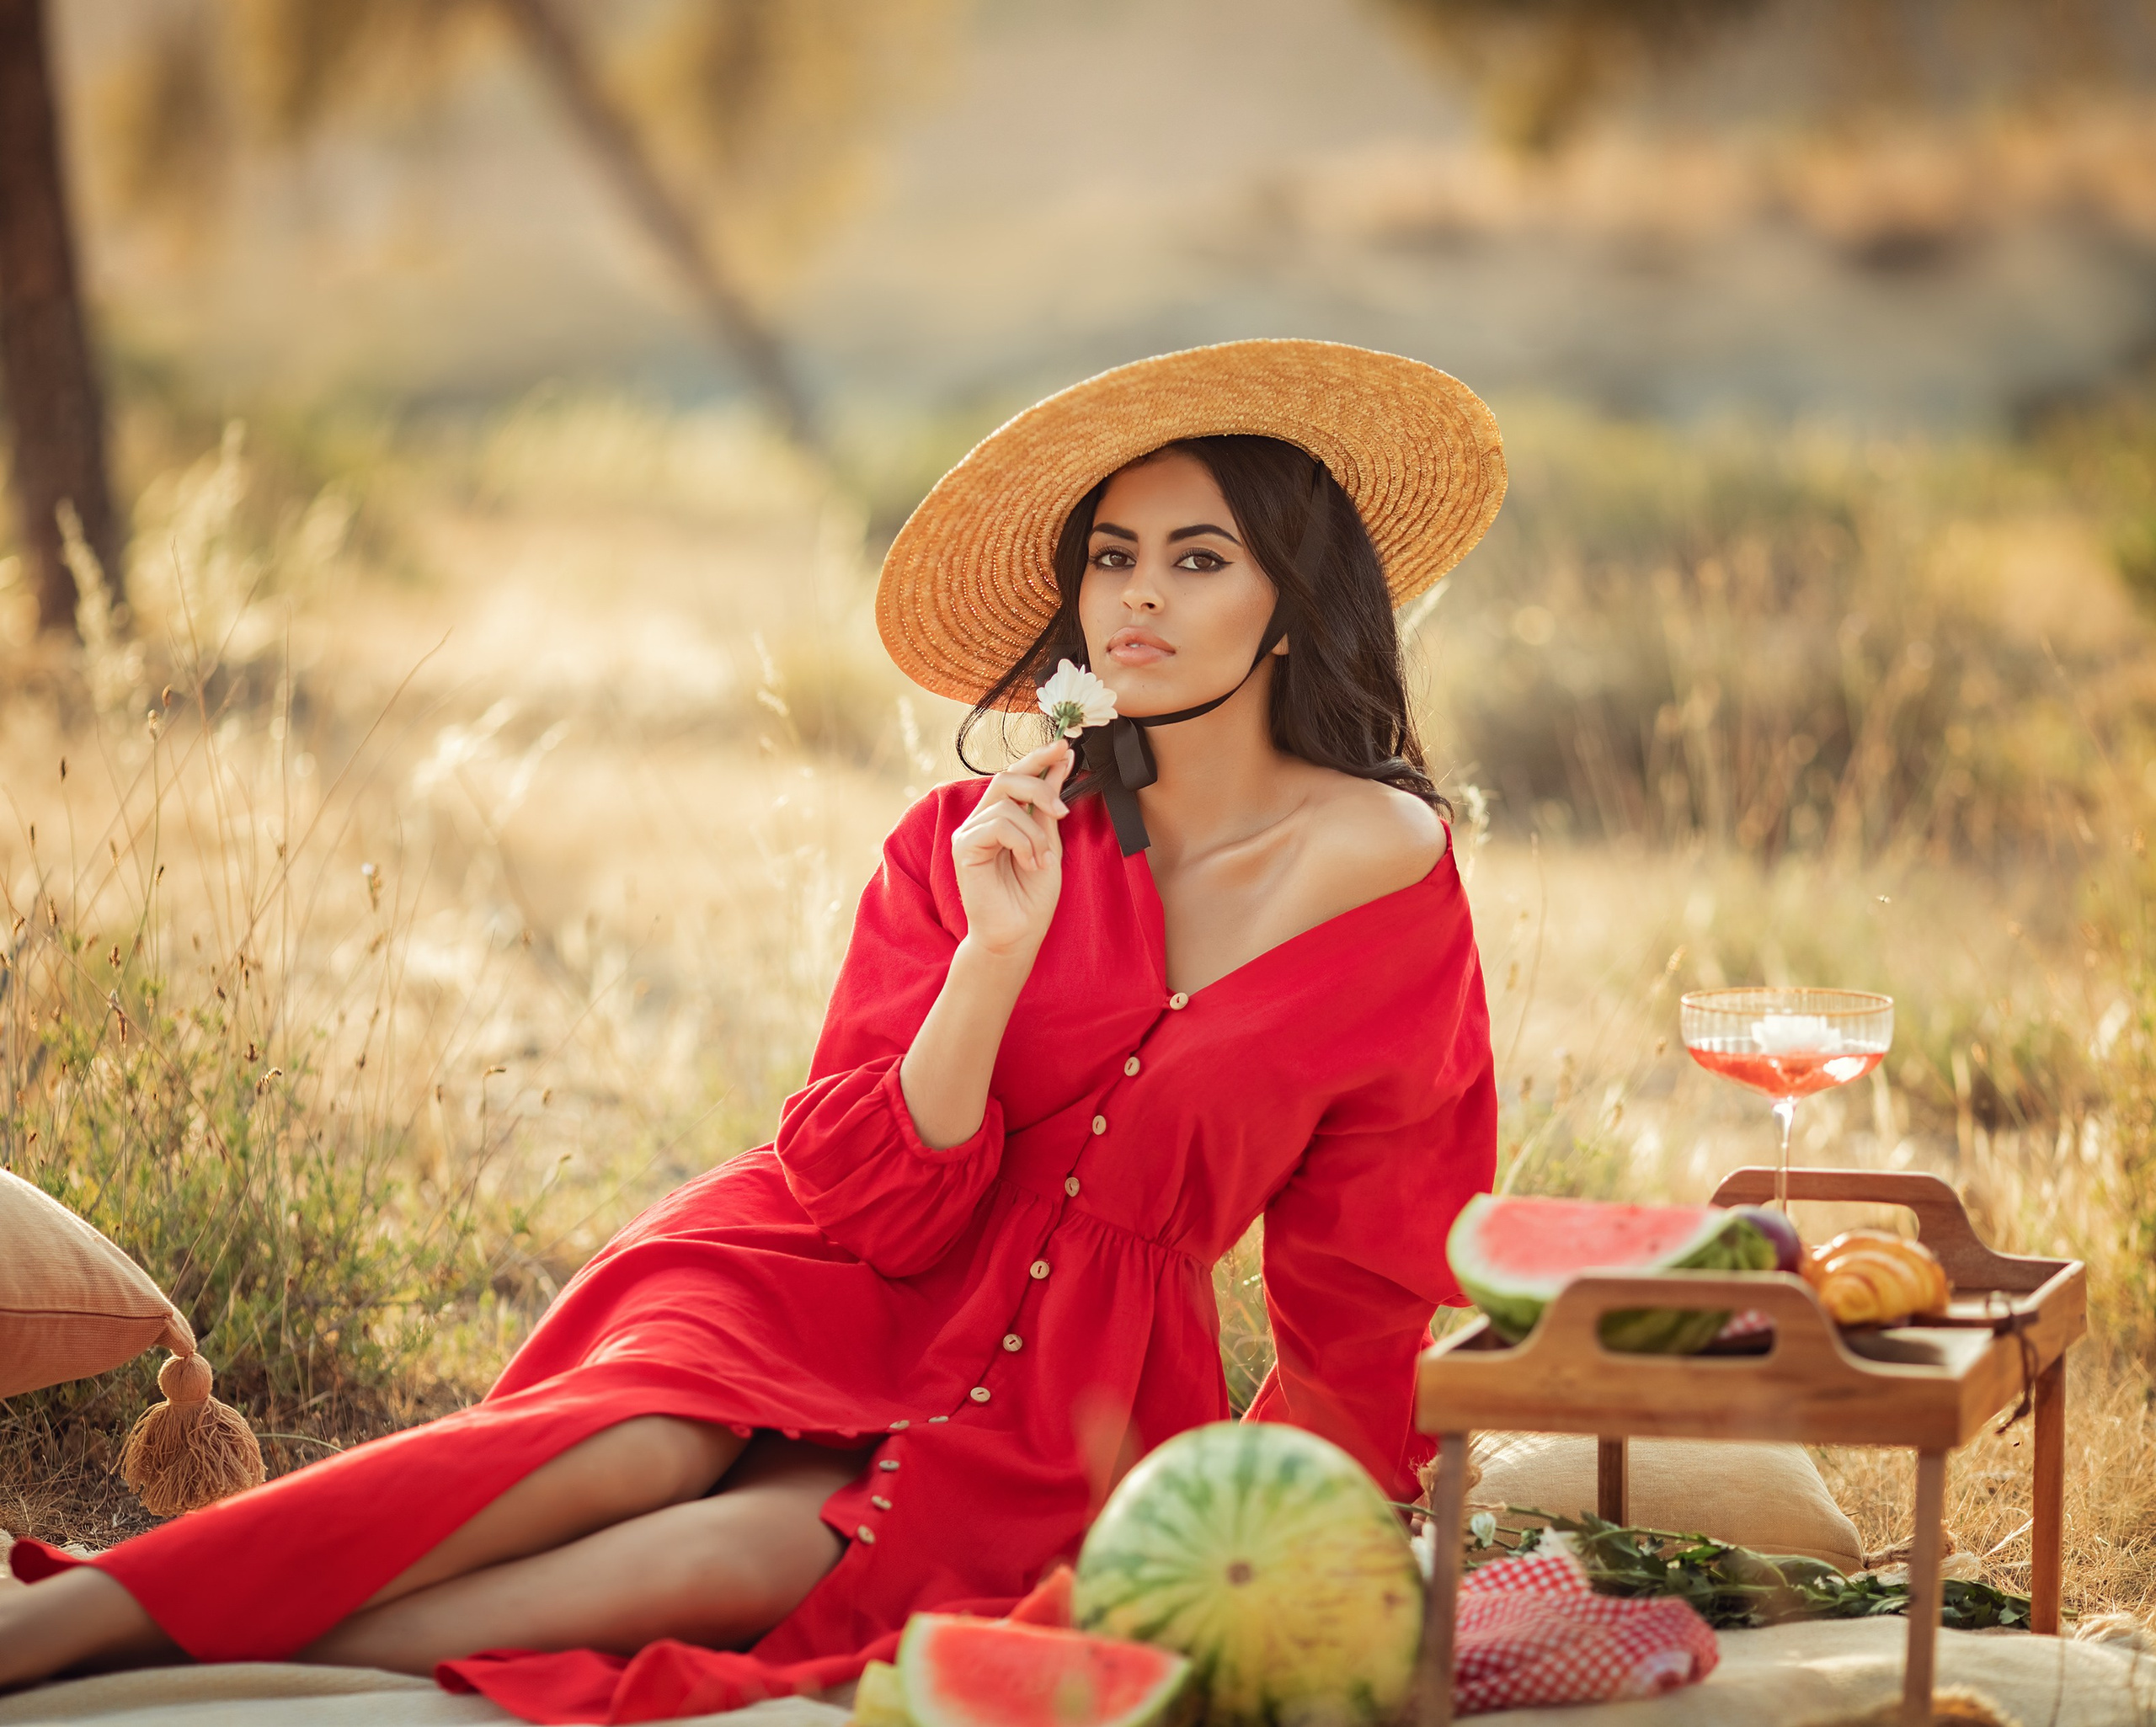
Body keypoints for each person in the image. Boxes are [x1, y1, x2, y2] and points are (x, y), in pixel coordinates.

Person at [0, 338, 1507, 1721]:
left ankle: (180, 1651)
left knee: (725, 1560)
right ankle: (55, 1639)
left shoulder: (1388, 876)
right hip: (825, 1275)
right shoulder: (973, 840)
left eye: (1199, 559)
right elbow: (871, 1190)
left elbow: (1370, 1268)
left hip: (1074, 1398)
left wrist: (1309, 1531)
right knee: (641, 1454)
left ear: (1296, 605)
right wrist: (994, 957)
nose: (1140, 599)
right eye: (1113, 558)